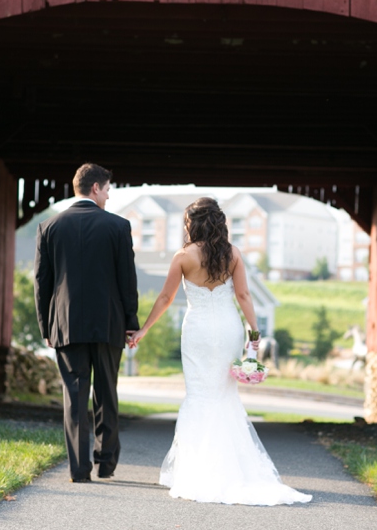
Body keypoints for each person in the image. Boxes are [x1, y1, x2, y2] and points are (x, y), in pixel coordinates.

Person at [129, 198, 311, 506]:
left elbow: (165, 297)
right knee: (225, 396)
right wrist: (254, 334)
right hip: (228, 329)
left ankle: (195, 470)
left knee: (199, 395)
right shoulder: (233, 255)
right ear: (219, 222)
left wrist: (144, 330)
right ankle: (231, 470)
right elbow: (243, 295)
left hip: (197, 331)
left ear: (192, 223)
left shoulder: (183, 257)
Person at [33, 163, 139, 483]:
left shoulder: (49, 227)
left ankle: (79, 469)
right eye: (107, 189)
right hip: (109, 323)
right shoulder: (118, 227)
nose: (108, 196)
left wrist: (45, 327)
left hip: (65, 324)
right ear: (95, 188)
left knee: (75, 394)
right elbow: (126, 281)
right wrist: (131, 322)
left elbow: (42, 283)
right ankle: (105, 463)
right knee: (106, 393)